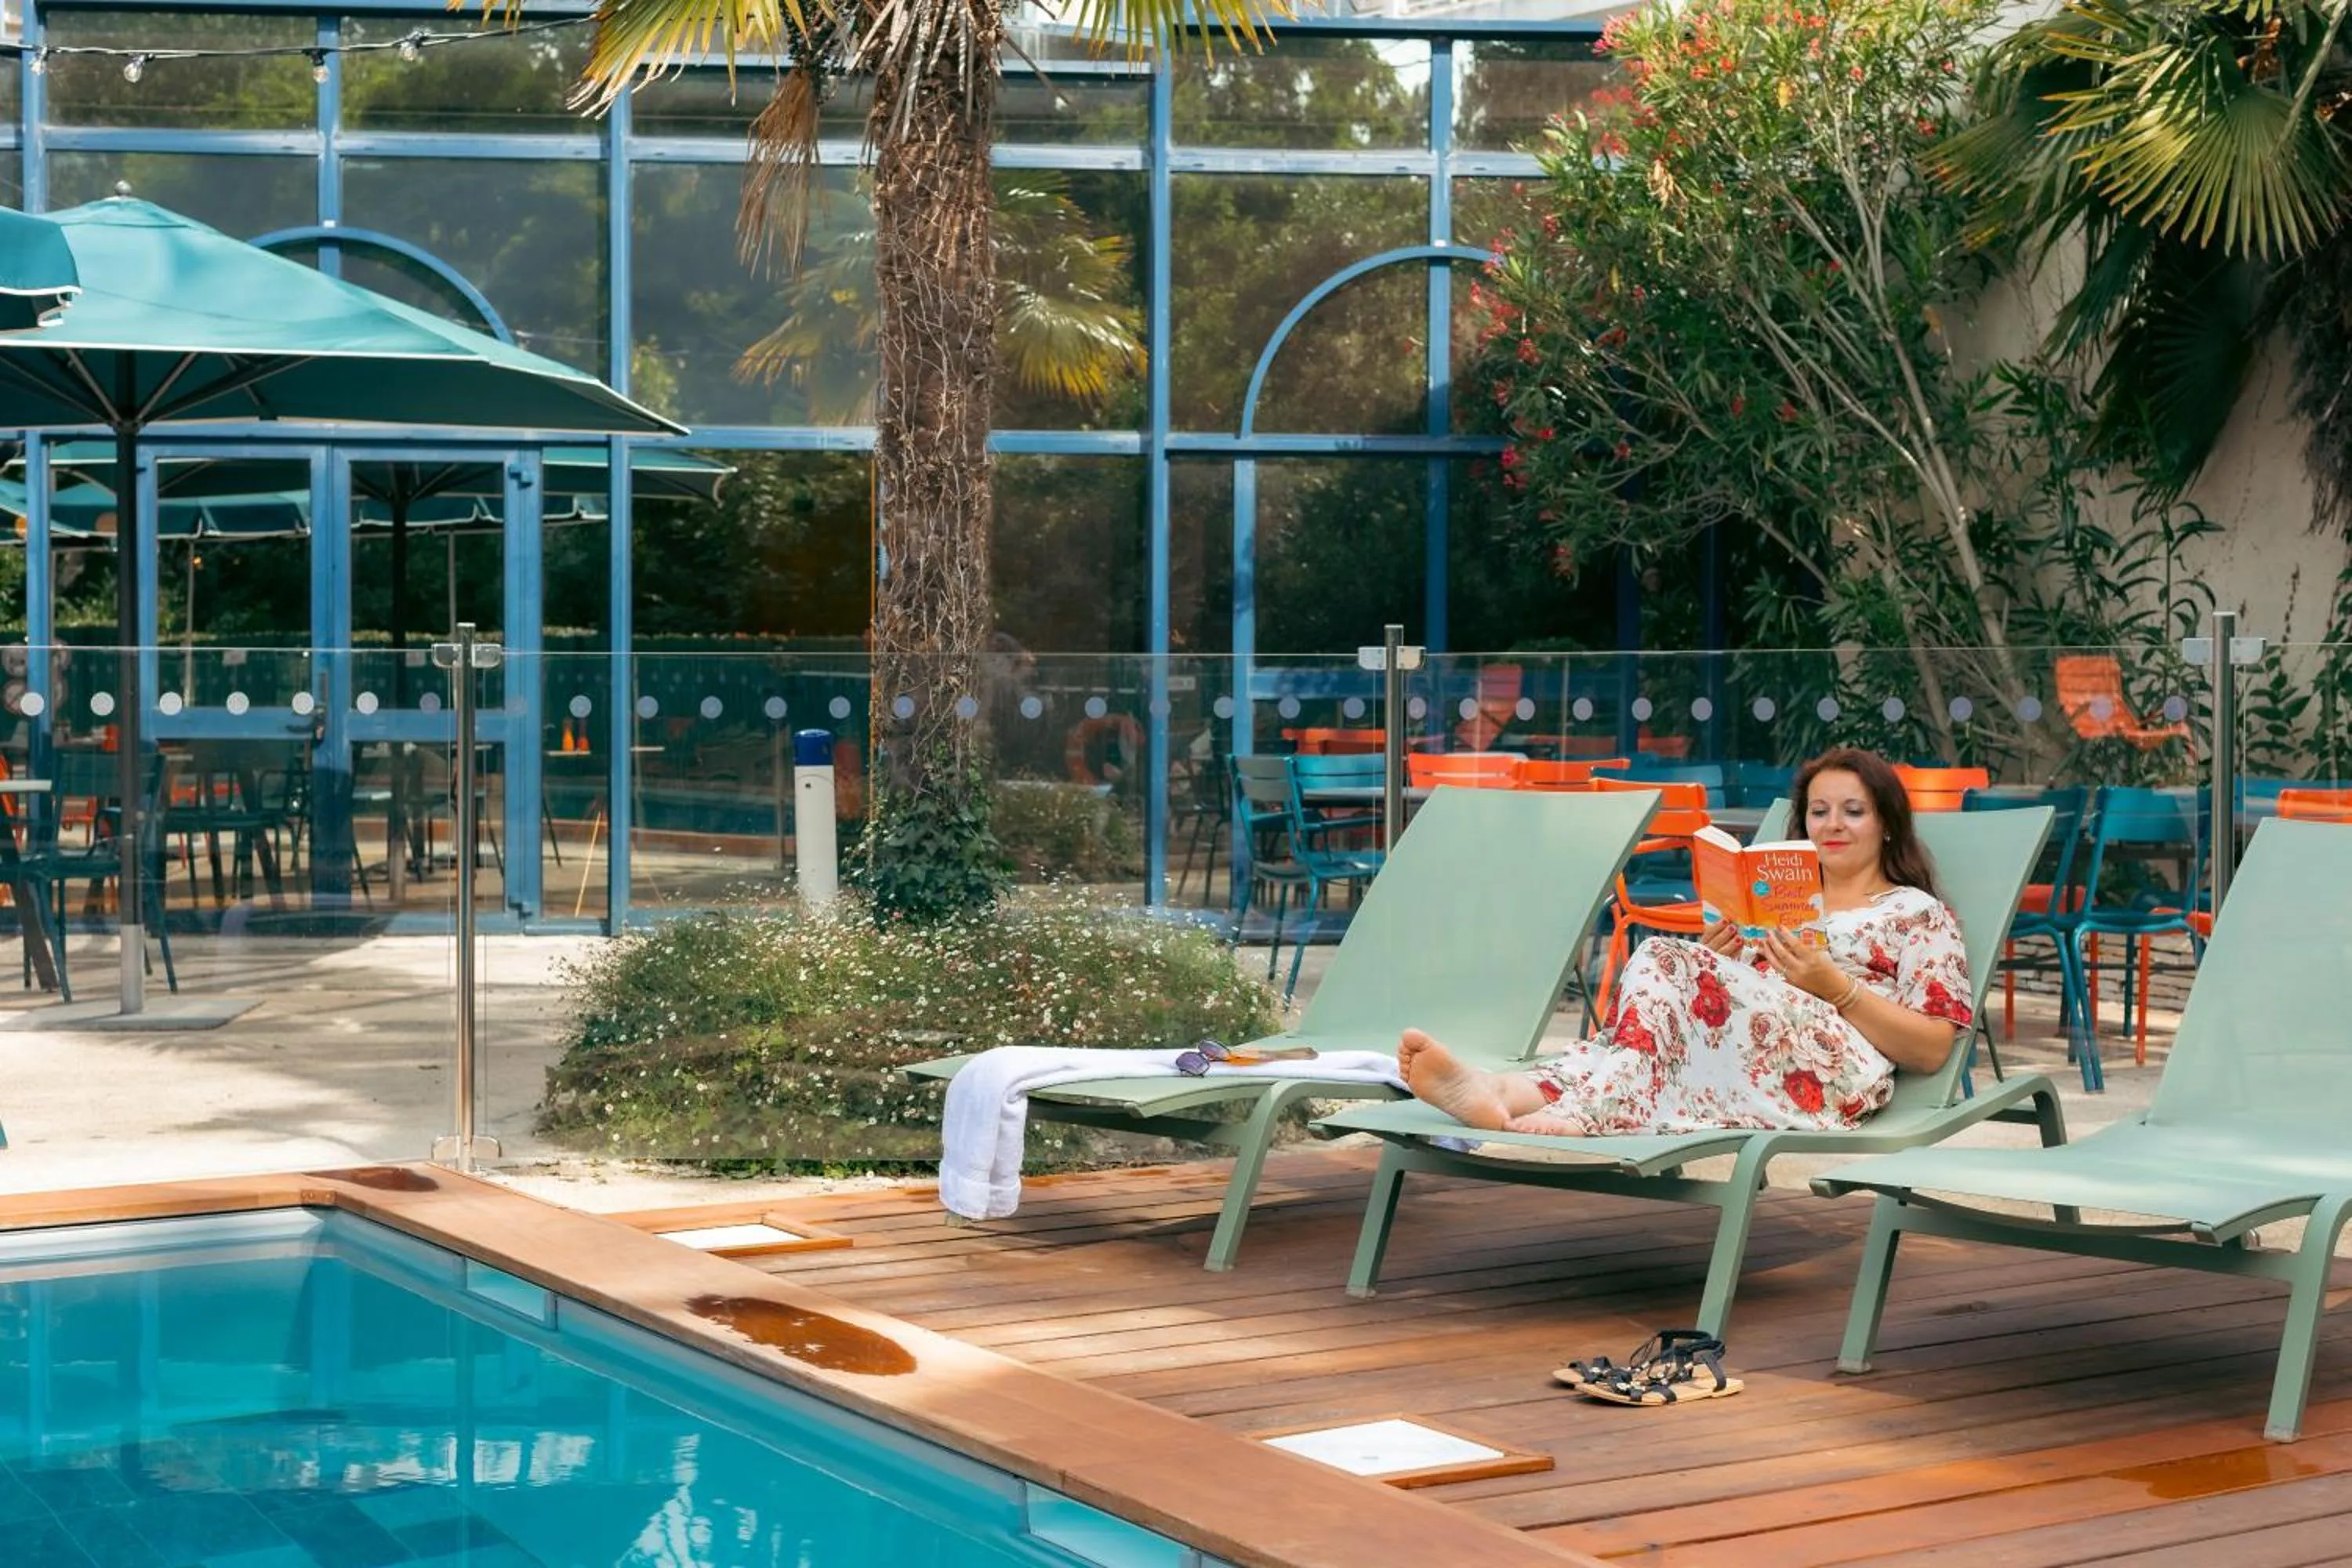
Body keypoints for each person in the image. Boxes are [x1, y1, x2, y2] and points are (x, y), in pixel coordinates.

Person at [1399, 747, 1975, 1137]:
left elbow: (1931, 1049)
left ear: (1888, 823)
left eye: (1854, 811)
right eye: (1819, 812)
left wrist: (1838, 989)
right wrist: (1717, 959)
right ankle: (1498, 1090)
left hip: (1829, 1074)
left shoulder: (1917, 915)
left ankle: (1590, 1111)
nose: (1833, 825)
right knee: (1651, 1012)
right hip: (1742, 1051)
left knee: (1663, 960)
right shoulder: (1782, 901)